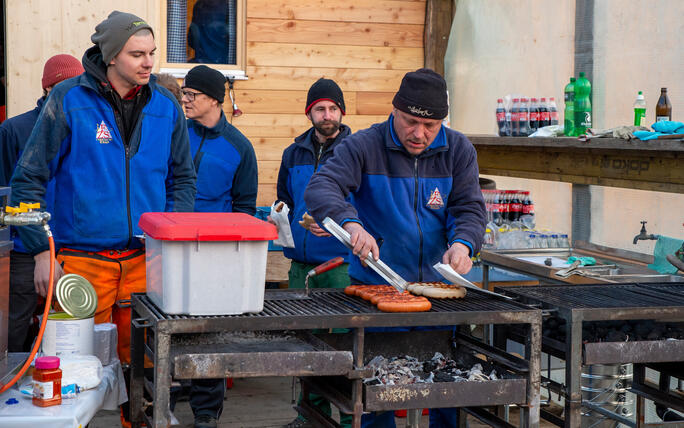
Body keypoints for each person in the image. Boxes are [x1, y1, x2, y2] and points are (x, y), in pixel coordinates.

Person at [9, 11, 196, 425]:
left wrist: (173, 239)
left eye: (151, 53)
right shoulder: (69, 100)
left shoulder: (166, 107)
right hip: (80, 266)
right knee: (71, 377)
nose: (148, 63)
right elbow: (27, 182)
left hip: (146, 263)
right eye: (137, 54)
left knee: (145, 374)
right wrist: (42, 252)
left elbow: (182, 178)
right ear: (111, 57)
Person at [304, 68, 487, 427]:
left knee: (448, 389)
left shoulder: (458, 150)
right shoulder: (364, 146)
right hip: (378, 291)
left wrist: (463, 245)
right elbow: (321, 187)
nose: (418, 134)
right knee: (378, 394)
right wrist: (352, 224)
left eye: (430, 126)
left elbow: (469, 208)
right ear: (395, 111)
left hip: (440, 295)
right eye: (409, 122)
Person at [178, 64, 257, 428]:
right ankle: (155, 397)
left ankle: (206, 413)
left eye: (191, 94)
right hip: (170, 246)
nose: (185, 99)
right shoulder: (175, 134)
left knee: (207, 331)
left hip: (213, 253)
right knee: (161, 324)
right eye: (184, 92)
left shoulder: (240, 148)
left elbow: (244, 209)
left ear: (213, 98)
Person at [276, 78, 353, 428]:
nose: (327, 115)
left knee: (343, 347)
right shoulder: (293, 153)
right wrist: (281, 214)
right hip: (300, 264)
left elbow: (365, 204)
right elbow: (285, 199)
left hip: (340, 265)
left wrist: (340, 223)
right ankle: (311, 417)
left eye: (333, 108)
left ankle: (352, 418)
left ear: (342, 112)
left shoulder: (356, 151)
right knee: (305, 344)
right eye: (320, 109)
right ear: (309, 113)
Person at [0, 54, 84, 352]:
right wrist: (31, 246)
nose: (67, 94)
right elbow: (8, 191)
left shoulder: (85, 129)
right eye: (61, 86)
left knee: (74, 324)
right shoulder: (15, 130)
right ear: (47, 88)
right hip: (25, 247)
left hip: (75, 246)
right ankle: (12, 383)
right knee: (14, 324)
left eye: (75, 86)